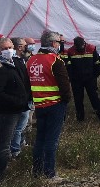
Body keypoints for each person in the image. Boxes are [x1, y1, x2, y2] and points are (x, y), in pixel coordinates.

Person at [0, 37, 31, 182]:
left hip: (21, 107)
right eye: (5, 48)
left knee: (15, 136)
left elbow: (25, 81)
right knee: (3, 144)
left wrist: (27, 98)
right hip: (7, 111)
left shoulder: (15, 62)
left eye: (11, 47)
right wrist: (16, 101)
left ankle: (5, 168)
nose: (9, 50)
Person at [27, 31, 72, 178]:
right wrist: (66, 100)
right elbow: (64, 84)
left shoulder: (32, 60)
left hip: (39, 104)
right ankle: (50, 173)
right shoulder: (55, 60)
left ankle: (37, 170)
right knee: (52, 140)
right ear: (53, 44)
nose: (59, 45)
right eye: (58, 42)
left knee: (40, 138)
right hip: (55, 104)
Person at [64, 36, 100, 121]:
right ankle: (80, 118)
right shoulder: (70, 51)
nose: (80, 48)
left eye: (81, 46)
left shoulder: (91, 48)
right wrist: (72, 78)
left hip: (90, 79)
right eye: (78, 47)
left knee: (94, 97)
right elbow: (69, 67)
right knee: (78, 99)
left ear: (84, 43)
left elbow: (97, 63)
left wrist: (94, 76)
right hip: (76, 80)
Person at [9, 37, 33, 158]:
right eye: (25, 45)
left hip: (24, 98)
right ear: (19, 47)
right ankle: (15, 150)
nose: (27, 47)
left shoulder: (20, 60)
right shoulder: (15, 61)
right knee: (18, 127)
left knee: (21, 126)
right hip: (21, 99)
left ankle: (19, 144)